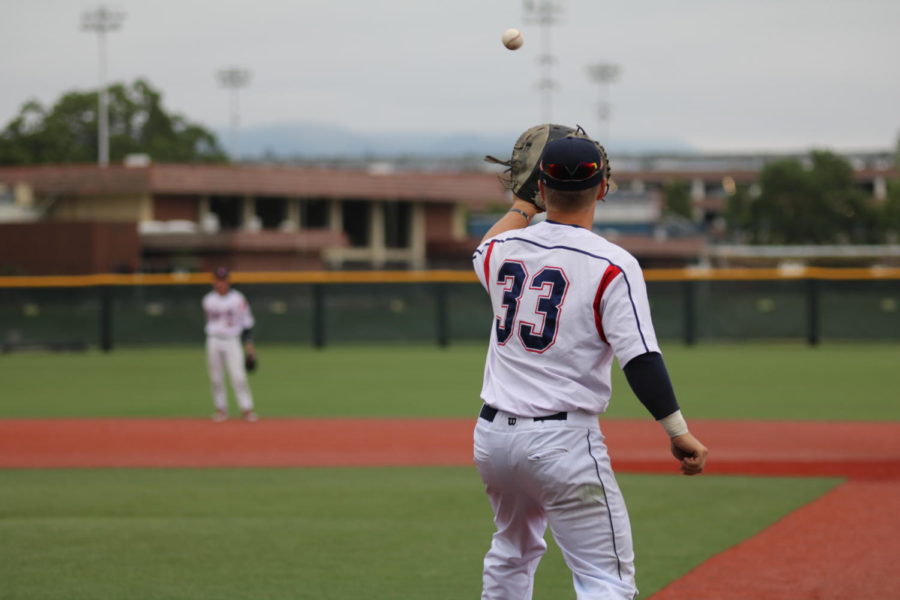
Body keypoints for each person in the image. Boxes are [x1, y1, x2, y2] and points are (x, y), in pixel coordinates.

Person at [472, 129, 708, 599]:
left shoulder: (502, 251)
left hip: (493, 440)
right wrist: (677, 430)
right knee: (605, 580)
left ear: (540, 188)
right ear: (602, 188)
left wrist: (522, 205)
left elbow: (485, 246)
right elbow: (640, 359)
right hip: (562, 443)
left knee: (511, 552)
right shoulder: (612, 264)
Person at [202, 266, 258, 422]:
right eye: (218, 280)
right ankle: (221, 409)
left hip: (232, 340)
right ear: (214, 282)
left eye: (223, 280)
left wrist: (249, 346)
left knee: (238, 376)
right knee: (215, 377)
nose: (221, 283)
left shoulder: (238, 299)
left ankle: (246, 408)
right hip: (213, 339)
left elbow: (247, 324)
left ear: (228, 281)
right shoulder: (208, 300)